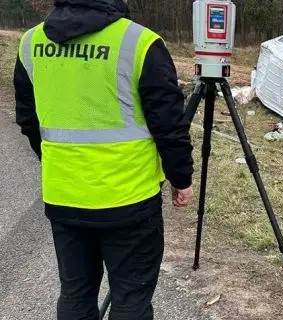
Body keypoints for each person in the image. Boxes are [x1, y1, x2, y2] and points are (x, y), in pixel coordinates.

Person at [13, 0, 194, 319]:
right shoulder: (139, 42)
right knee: (130, 297)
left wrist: (58, 162)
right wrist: (181, 178)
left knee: (75, 293)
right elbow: (168, 124)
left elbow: (29, 120)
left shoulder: (31, 42)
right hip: (129, 198)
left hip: (64, 194)